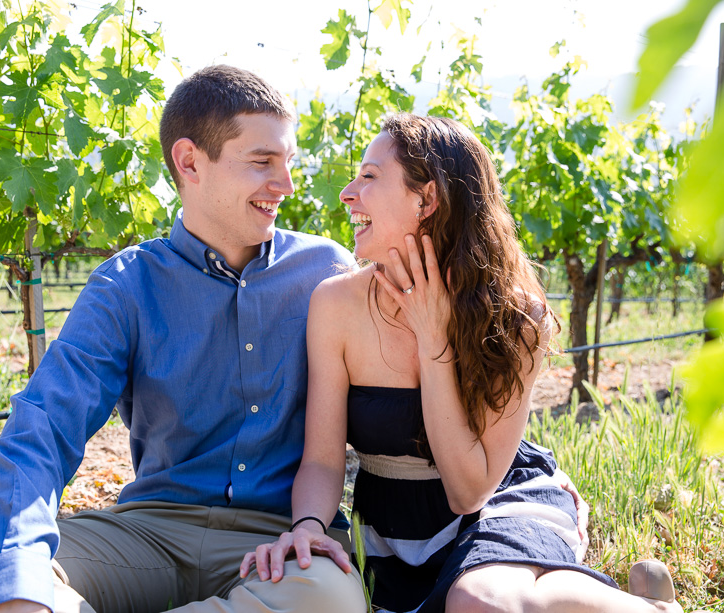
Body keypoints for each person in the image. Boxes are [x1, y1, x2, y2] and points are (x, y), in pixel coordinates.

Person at [0, 65, 367, 613]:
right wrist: (19, 583)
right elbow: (43, 428)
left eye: (288, 163)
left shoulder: (327, 271)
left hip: (279, 542)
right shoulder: (125, 284)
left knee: (329, 601)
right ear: (189, 162)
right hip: (151, 534)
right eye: (262, 163)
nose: (286, 185)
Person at [242, 114, 685, 613]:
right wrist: (307, 529)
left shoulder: (516, 318)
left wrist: (435, 341)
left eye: (369, 176)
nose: (347, 193)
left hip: (496, 500)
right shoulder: (335, 305)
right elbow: (323, 460)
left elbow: (468, 493)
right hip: (394, 527)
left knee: (478, 601)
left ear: (427, 200)